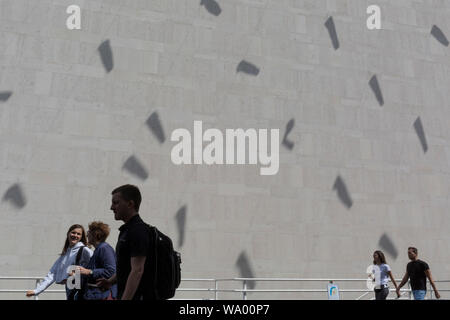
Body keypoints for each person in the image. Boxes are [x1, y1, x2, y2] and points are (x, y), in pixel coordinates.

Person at [96, 184, 156, 300]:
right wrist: (110, 282)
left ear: (130, 204)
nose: (111, 207)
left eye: (116, 202)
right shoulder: (127, 231)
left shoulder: (138, 230)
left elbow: (137, 270)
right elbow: (126, 268)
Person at [26, 224, 93, 300]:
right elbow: (53, 273)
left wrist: (73, 276)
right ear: (68, 233)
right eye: (73, 232)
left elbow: (91, 270)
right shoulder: (65, 253)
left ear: (81, 237)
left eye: (78, 234)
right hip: (71, 289)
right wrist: (37, 290)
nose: (75, 235)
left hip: (82, 291)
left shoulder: (85, 250)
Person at [75, 221, 118, 300]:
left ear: (95, 234)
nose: (87, 235)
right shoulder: (98, 249)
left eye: (89, 232)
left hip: (103, 295)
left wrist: (90, 271)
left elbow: (111, 271)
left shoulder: (104, 248)